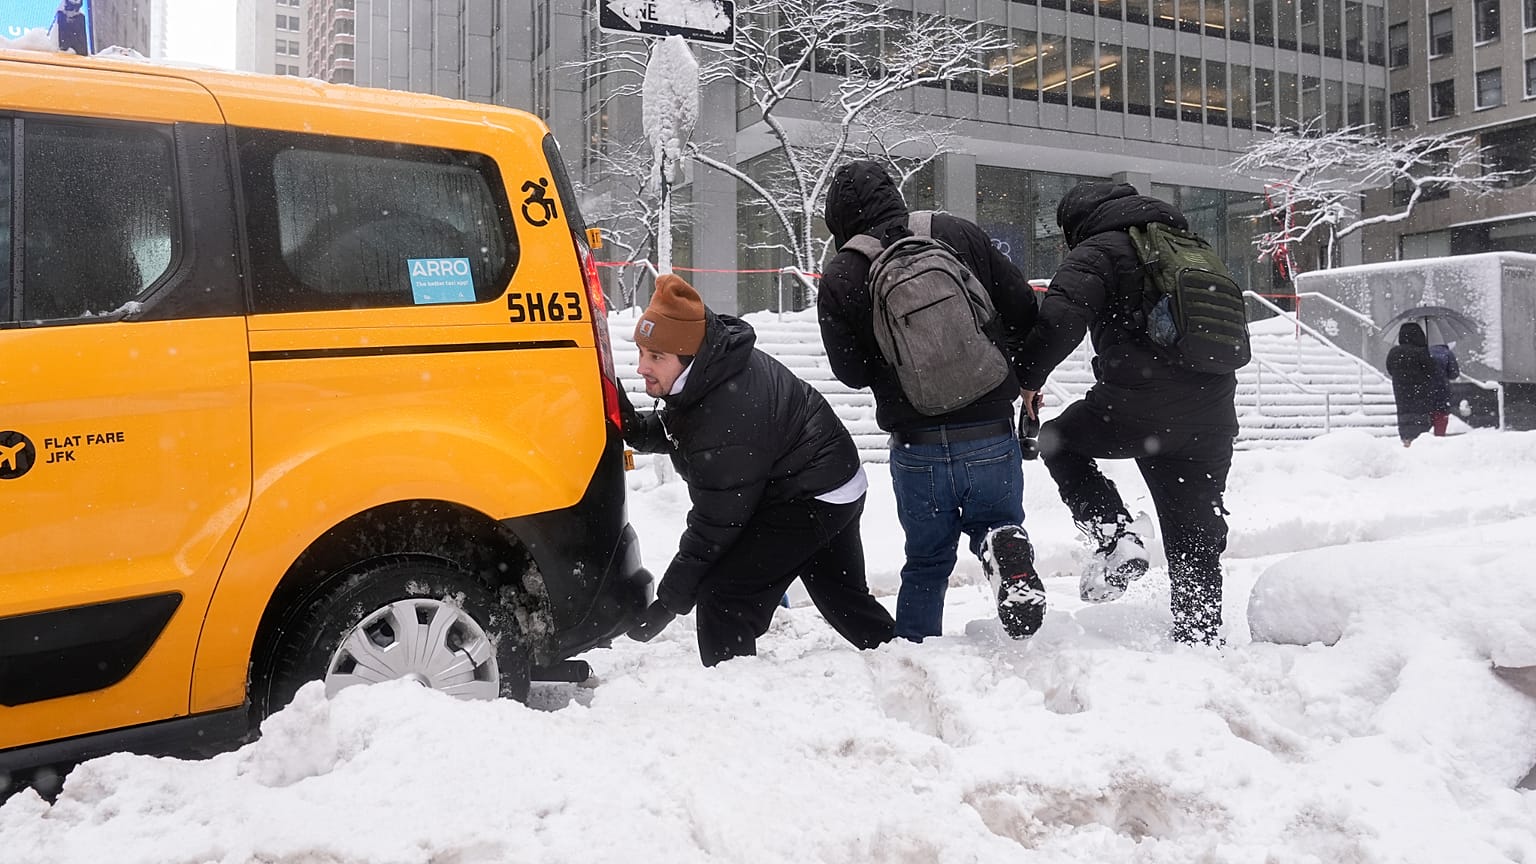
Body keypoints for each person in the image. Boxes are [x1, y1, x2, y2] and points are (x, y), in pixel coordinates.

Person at [818, 160, 1045, 643]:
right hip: (988, 429)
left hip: (916, 442)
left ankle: (918, 655)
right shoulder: (955, 232)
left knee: (926, 561)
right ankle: (1003, 544)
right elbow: (1024, 308)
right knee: (998, 521)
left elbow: (851, 373)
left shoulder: (842, 272)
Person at [620, 273, 896, 666]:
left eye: (656, 357)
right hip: (834, 479)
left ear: (688, 357)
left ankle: (737, 700)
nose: (642, 367)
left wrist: (668, 603)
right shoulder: (710, 371)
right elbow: (683, 428)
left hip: (810, 493)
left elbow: (715, 527)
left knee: (725, 599)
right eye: (642, 352)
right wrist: (633, 427)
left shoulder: (725, 412)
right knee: (842, 597)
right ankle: (896, 655)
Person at [1016, 181, 1238, 647]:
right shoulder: (1191, 247)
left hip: (1138, 407)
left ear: (1077, 223)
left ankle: (1115, 534)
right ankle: (1200, 640)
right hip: (1212, 416)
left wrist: (1028, 379)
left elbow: (1059, 320)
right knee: (1193, 530)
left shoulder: (1099, 250)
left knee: (1057, 438)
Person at [1386, 322, 1442, 447]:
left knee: (1404, 413)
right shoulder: (1422, 352)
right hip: (1421, 391)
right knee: (1419, 415)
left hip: (1401, 391)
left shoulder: (1394, 352)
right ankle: (1419, 440)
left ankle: (1406, 438)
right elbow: (1431, 371)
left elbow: (1389, 370)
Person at [1428, 341, 1461, 437]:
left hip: (1425, 388)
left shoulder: (1423, 351)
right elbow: (1454, 374)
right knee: (1441, 412)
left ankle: (1425, 437)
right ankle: (1439, 435)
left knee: (1428, 412)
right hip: (1442, 388)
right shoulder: (1447, 353)